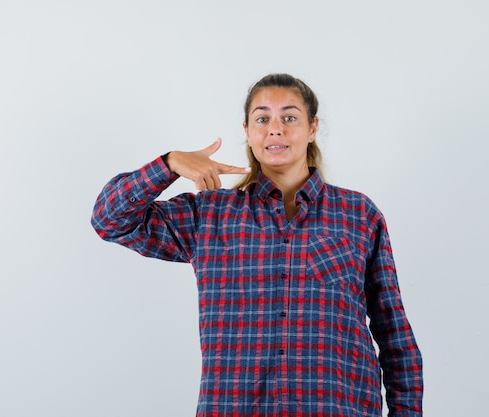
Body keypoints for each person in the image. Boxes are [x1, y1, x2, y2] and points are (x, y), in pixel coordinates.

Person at [91, 73, 423, 416]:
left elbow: (394, 334)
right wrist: (169, 164)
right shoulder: (209, 215)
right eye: (263, 119)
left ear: (312, 129)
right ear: (248, 132)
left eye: (289, 118)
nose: (275, 129)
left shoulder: (358, 214)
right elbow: (109, 220)